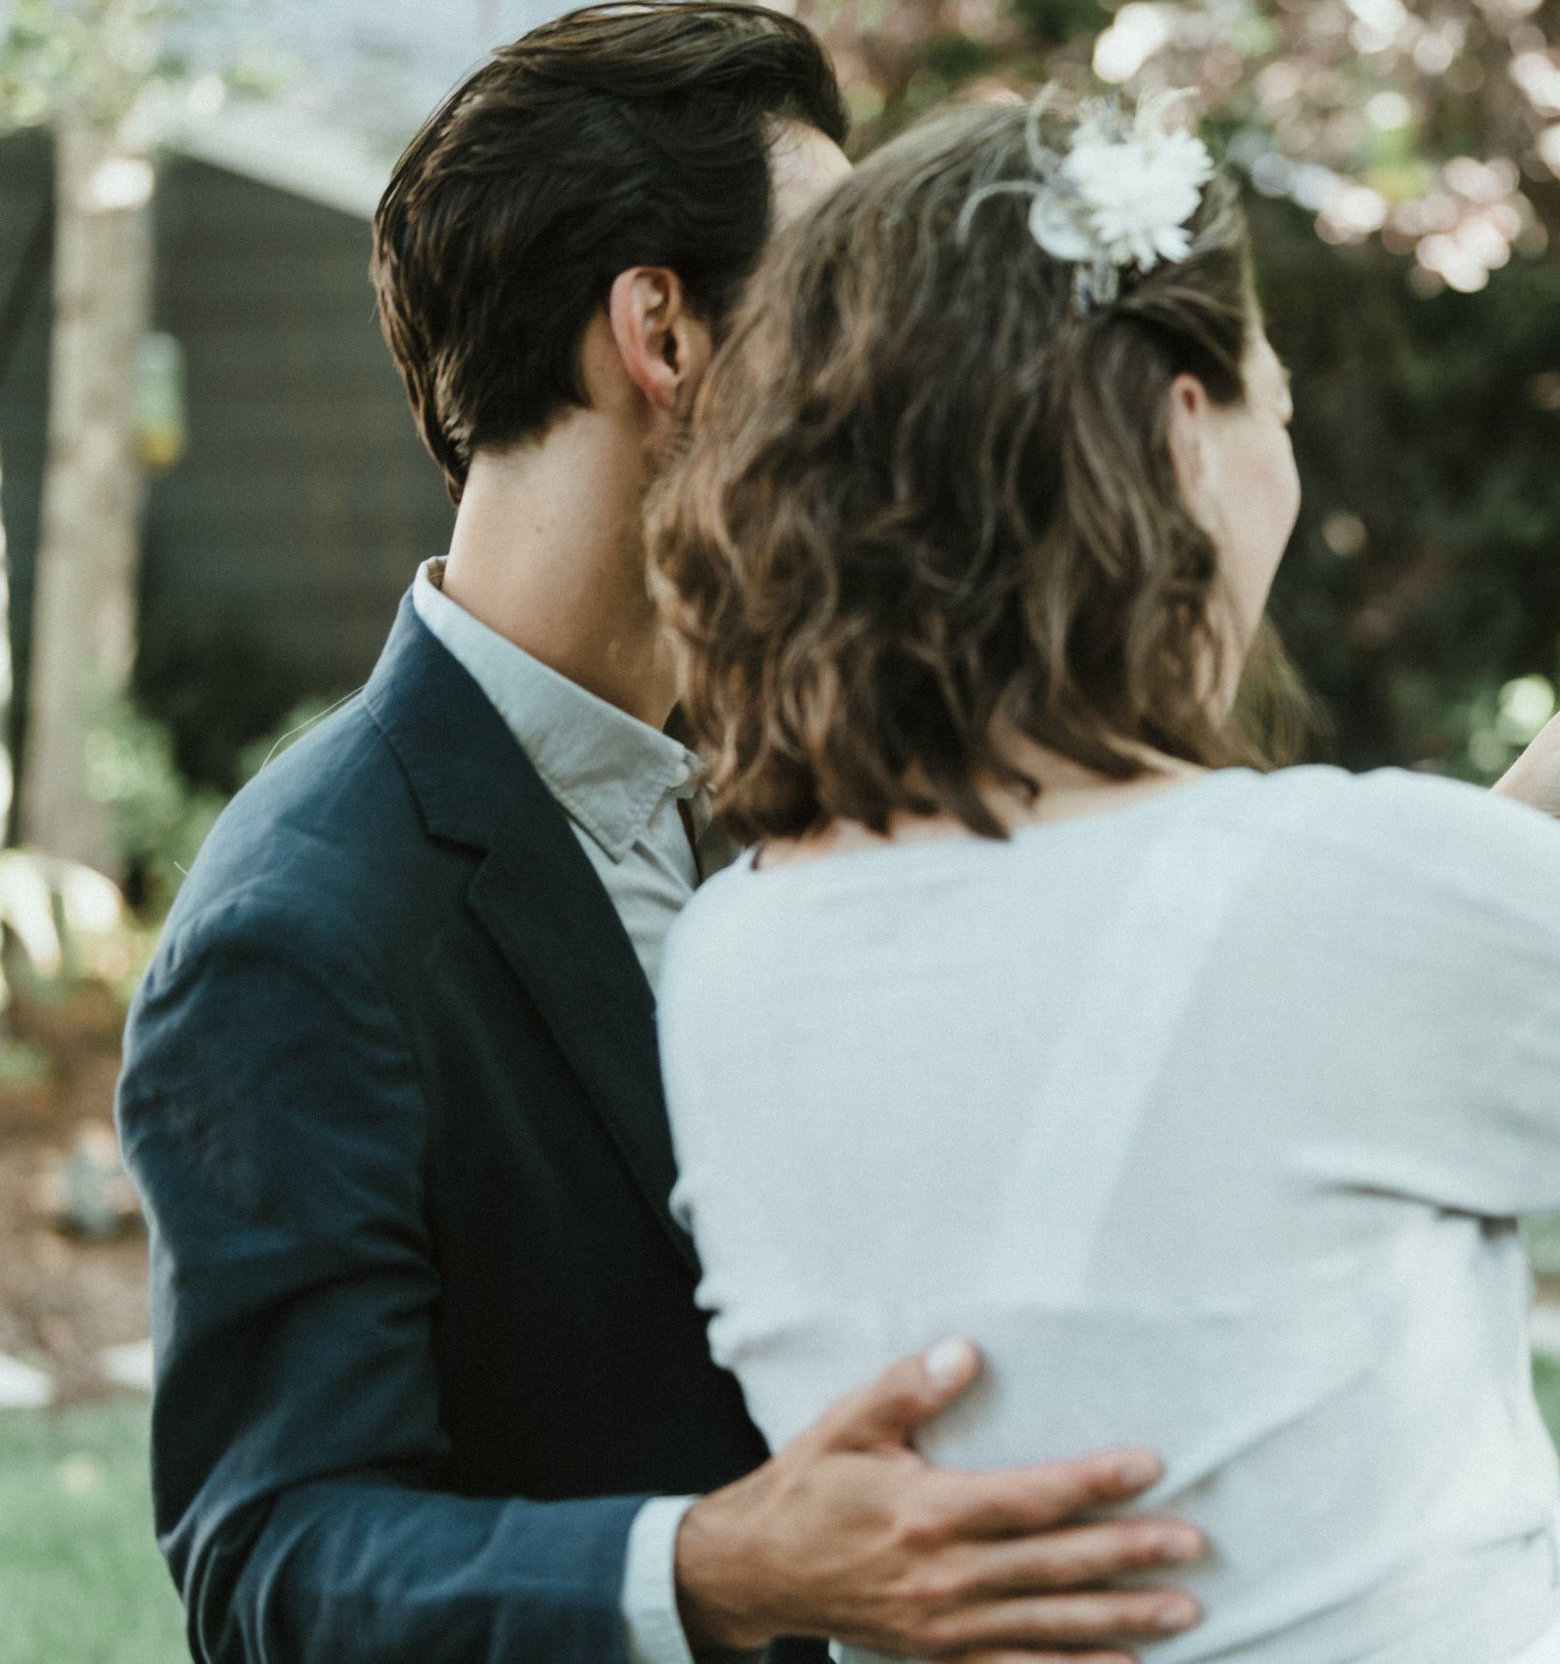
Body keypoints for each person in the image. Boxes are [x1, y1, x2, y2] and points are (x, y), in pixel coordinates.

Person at [647, 99, 1560, 1664]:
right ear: (1182, 433)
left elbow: (1162, 1091)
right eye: (1274, 407)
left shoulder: (726, 950)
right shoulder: (1354, 893)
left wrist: (1500, 842)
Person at [115, 11, 1211, 1664]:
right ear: (664, 332)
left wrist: (1509, 842)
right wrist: (708, 1566)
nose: (886, 370)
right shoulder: (303, 925)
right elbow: (275, 1556)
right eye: (835, 300)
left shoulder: (822, 772)